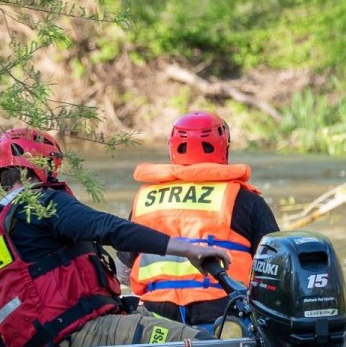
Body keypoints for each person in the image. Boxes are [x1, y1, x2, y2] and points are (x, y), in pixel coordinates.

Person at [0, 127, 231, 347]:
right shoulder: (42, 203)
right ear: (42, 166)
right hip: (84, 332)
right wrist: (187, 249)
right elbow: (108, 228)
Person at [117, 110, 279, 330]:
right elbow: (276, 269)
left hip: (158, 320)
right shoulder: (245, 200)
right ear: (224, 146)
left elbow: (122, 272)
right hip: (224, 316)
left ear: (172, 147)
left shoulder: (145, 199)